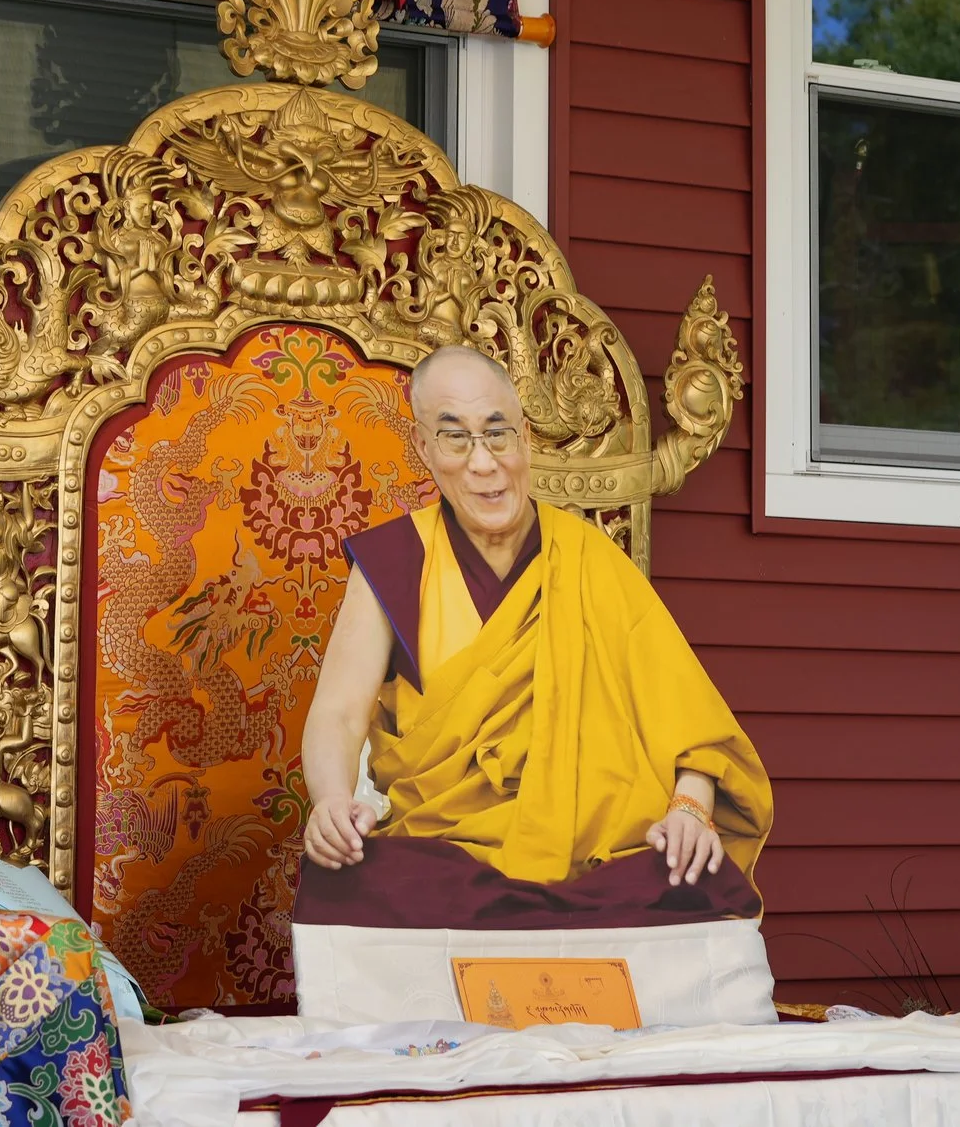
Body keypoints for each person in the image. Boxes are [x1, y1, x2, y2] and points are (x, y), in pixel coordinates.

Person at [296, 345, 772, 920]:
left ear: (525, 436)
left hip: (599, 854)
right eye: (455, 438)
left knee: (694, 877)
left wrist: (690, 813)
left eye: (497, 434)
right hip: (450, 851)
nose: (484, 463)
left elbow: (691, 726)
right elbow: (339, 714)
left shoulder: (590, 560)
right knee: (348, 884)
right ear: (424, 448)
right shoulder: (394, 562)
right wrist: (330, 802)